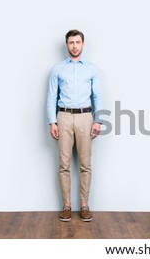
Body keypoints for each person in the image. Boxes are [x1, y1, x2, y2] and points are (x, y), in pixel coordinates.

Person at [47, 29, 103, 222]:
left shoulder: (92, 69)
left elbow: (98, 96)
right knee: (64, 165)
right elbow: (51, 96)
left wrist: (98, 120)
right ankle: (67, 206)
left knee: (85, 165)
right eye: (71, 42)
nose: (74, 46)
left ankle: (85, 205)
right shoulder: (57, 69)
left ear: (83, 44)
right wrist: (51, 121)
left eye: (77, 42)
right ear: (67, 45)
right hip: (63, 116)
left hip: (85, 117)